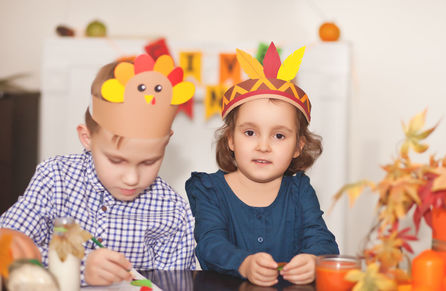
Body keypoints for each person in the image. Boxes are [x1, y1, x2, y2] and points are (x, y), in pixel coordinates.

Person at [0, 53, 196, 286]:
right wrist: (80, 268)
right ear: (87, 137)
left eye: (148, 162)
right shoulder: (55, 179)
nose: (132, 179)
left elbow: (174, 285)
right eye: (116, 160)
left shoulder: (173, 211)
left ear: (166, 143)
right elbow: (7, 246)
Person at [186, 42, 339, 287]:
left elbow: (321, 238)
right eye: (250, 133)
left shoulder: (300, 191)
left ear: (298, 146)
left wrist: (313, 259)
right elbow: (210, 244)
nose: (263, 146)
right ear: (231, 140)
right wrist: (243, 263)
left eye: (279, 136)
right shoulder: (209, 190)